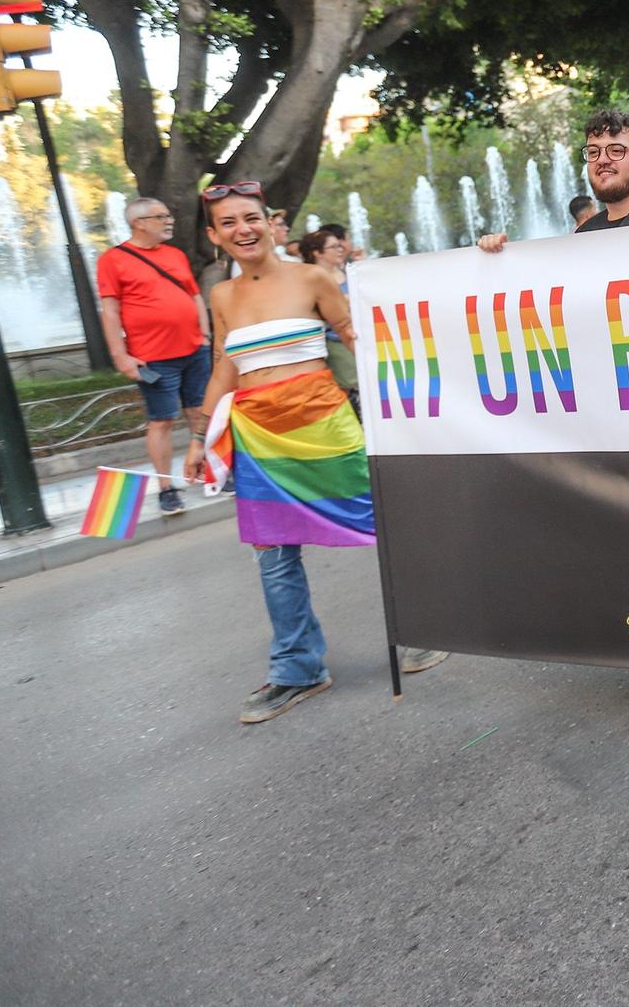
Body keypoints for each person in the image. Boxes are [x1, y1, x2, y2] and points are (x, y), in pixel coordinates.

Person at [479, 112, 629, 728]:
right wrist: (496, 264)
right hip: (614, 411)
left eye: (617, 150)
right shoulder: (584, 240)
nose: (602, 159)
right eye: (593, 151)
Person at [183, 182, 447, 723]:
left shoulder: (312, 277)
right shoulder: (222, 297)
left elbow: (359, 338)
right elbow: (223, 366)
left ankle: (423, 629)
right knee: (274, 555)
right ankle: (297, 669)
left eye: (251, 218)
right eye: (228, 223)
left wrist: (405, 394)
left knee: (384, 524)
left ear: (271, 224)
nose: (243, 230)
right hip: (258, 433)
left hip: (323, 421)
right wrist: (197, 438)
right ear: (214, 236)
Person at [96, 197, 212, 516]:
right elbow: (110, 311)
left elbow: (194, 295)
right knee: (161, 421)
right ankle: (167, 488)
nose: (169, 220)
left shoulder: (175, 255)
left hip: (193, 351)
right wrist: (121, 357)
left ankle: (210, 474)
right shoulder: (113, 259)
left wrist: (204, 336)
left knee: (199, 414)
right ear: (139, 223)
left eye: (169, 214)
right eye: (162, 216)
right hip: (153, 358)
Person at [296, 229, 359, 409]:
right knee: (348, 389)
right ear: (317, 253)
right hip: (335, 342)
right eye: (333, 247)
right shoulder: (311, 278)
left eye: (340, 245)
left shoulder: (347, 271)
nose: (340, 249)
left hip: (355, 337)